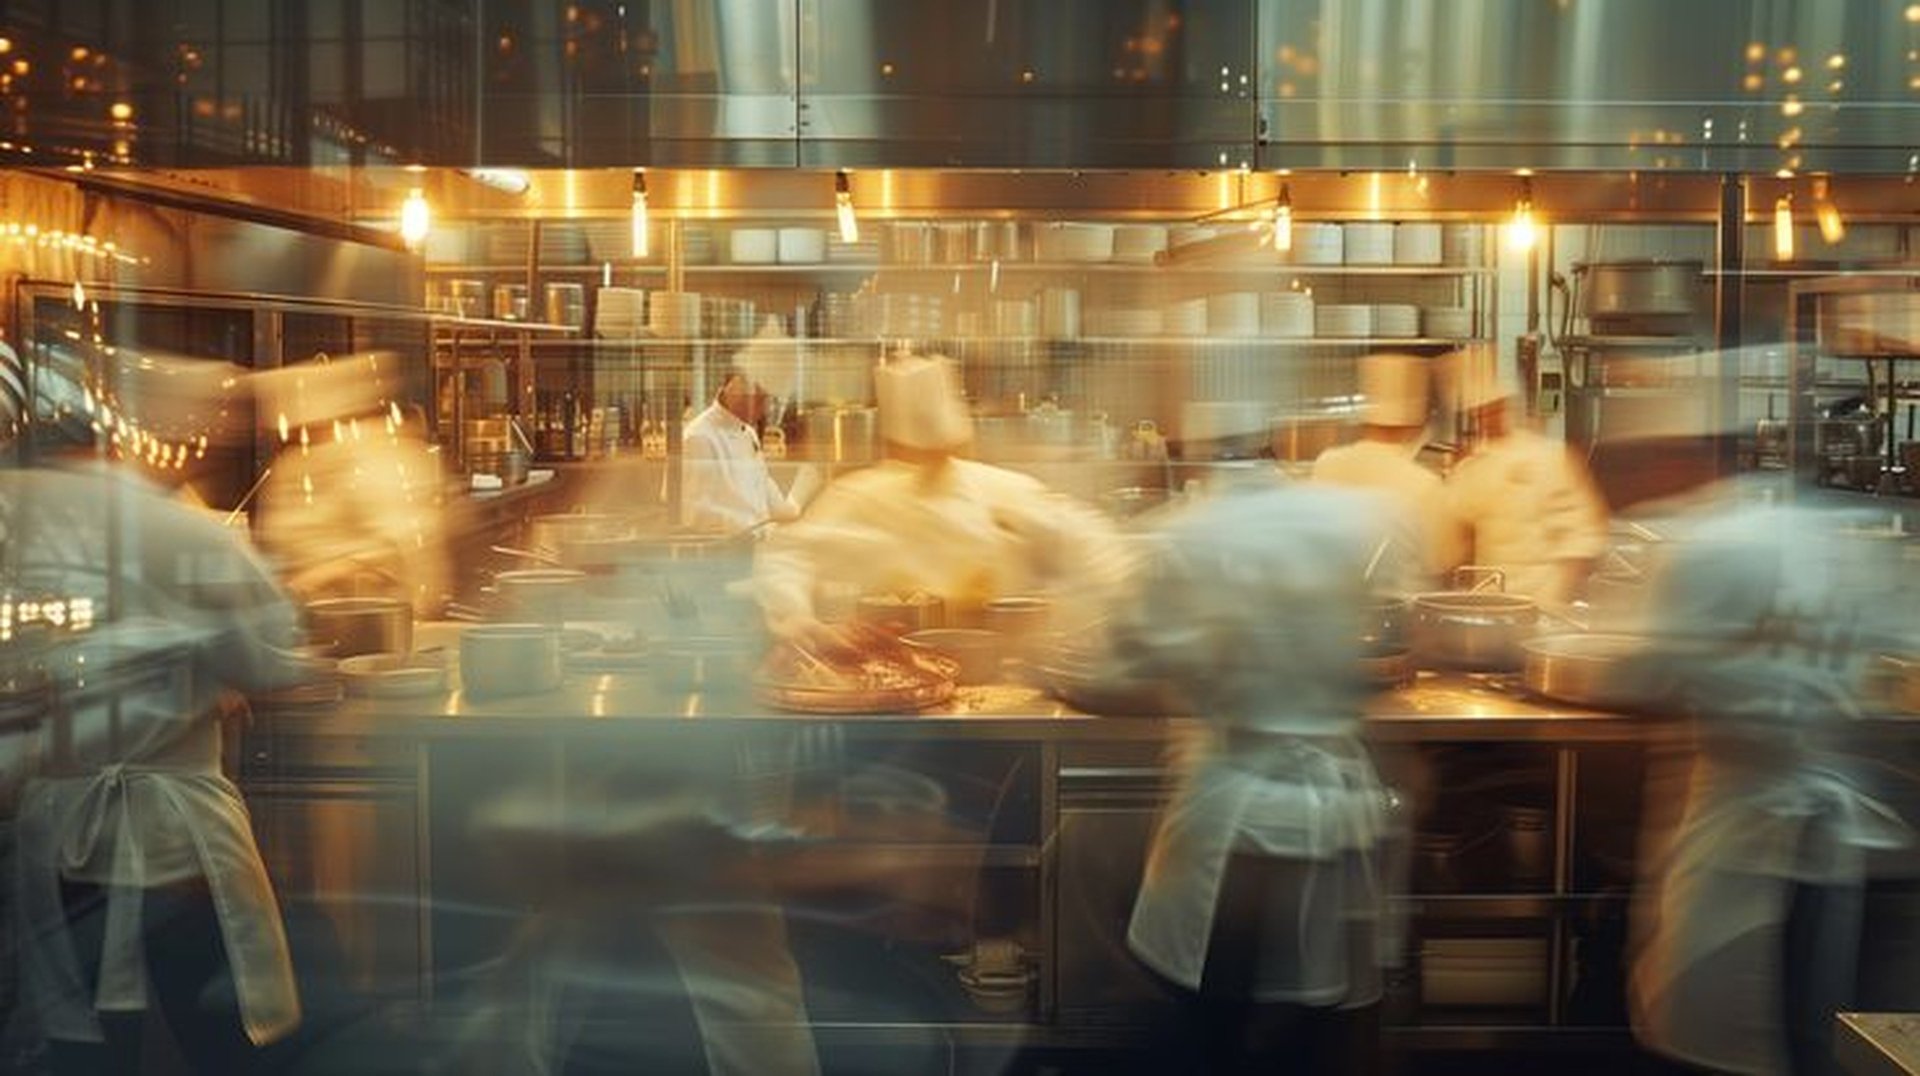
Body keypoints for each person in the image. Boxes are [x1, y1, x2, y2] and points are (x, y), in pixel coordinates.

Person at [6, 349, 317, 1074]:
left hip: (59, 830)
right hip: (172, 835)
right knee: (217, 1024)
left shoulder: (16, 520)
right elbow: (270, 659)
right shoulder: (185, 530)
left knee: (87, 1040)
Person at [1113, 480, 1403, 1075]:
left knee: (1214, 1025)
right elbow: (1387, 634)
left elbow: (1139, 645)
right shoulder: (1356, 513)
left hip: (1234, 816)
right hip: (1334, 809)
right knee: (1317, 1028)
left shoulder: (1193, 533)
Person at [1623, 502, 1914, 1076]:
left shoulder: (1706, 547)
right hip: (1823, 839)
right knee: (1804, 1023)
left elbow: (1646, 674)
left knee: (1720, 1018)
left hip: (1738, 835)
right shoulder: (1843, 544)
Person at [753, 353, 1132, 644]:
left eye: (941, 452)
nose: (931, 463)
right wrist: (794, 617)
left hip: (998, 674)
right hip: (890, 670)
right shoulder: (860, 496)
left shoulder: (1001, 491)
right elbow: (788, 555)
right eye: (920, 454)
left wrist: (1121, 605)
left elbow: (1089, 543)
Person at [251, 352, 449, 618]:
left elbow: (400, 549)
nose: (302, 436)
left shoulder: (381, 459)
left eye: (312, 429)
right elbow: (278, 541)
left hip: (382, 618)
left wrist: (317, 577)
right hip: (308, 618)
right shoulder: (293, 463)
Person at [1441, 346, 1608, 606]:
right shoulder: (1471, 468)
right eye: (1480, 412)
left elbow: (1583, 536)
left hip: (1543, 600)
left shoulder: (1550, 457)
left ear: (1507, 404)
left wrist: (1558, 595)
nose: (1487, 417)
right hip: (1488, 602)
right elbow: (1454, 544)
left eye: (1494, 408)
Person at [1310, 352, 1455, 589]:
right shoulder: (1424, 484)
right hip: (1401, 614)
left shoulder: (1326, 464)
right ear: (1416, 424)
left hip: (1335, 605)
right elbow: (1443, 561)